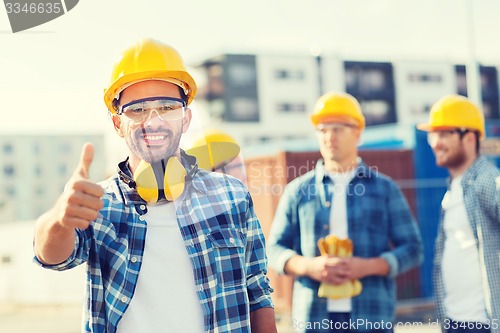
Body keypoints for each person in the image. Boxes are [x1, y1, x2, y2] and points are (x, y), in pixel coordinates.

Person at [33, 38, 276, 333]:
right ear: (116, 124)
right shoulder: (98, 202)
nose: (154, 121)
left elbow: (257, 290)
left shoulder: (231, 195)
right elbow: (52, 258)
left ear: (185, 118)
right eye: (137, 110)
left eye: (167, 107)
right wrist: (60, 217)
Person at [267, 92, 424, 333]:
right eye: (323, 130)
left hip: (371, 317)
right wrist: (309, 267)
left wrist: (369, 266)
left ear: (358, 133)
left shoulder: (385, 189)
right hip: (313, 319)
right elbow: (274, 249)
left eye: (338, 129)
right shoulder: (297, 191)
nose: (329, 137)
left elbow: (413, 249)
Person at [417, 94, 500, 333]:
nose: (435, 142)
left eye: (444, 134)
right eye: (433, 135)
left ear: (470, 137)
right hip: (456, 321)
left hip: (482, 324)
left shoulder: (485, 180)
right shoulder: (455, 186)